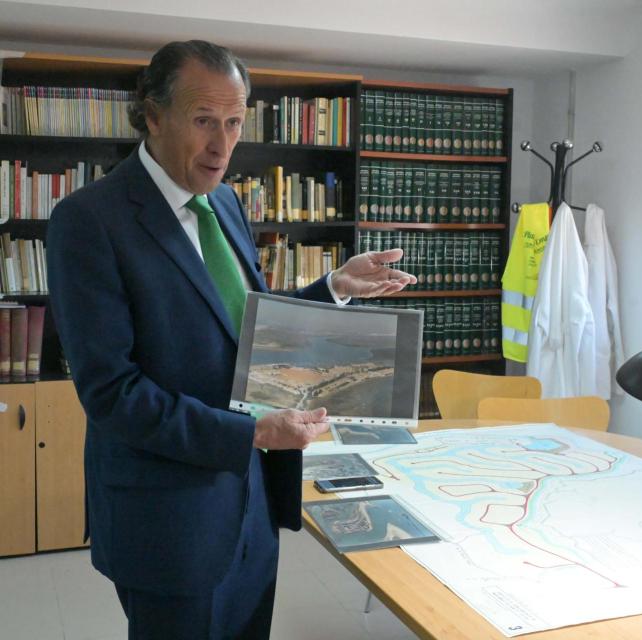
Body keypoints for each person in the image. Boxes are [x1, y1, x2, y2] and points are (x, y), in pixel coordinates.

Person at [46, 40, 415, 640]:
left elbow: (249, 329)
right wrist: (251, 431)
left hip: (251, 501)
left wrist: (334, 288)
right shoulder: (89, 220)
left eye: (235, 122)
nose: (222, 146)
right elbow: (112, 394)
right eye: (202, 121)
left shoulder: (225, 202)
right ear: (154, 115)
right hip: (166, 519)